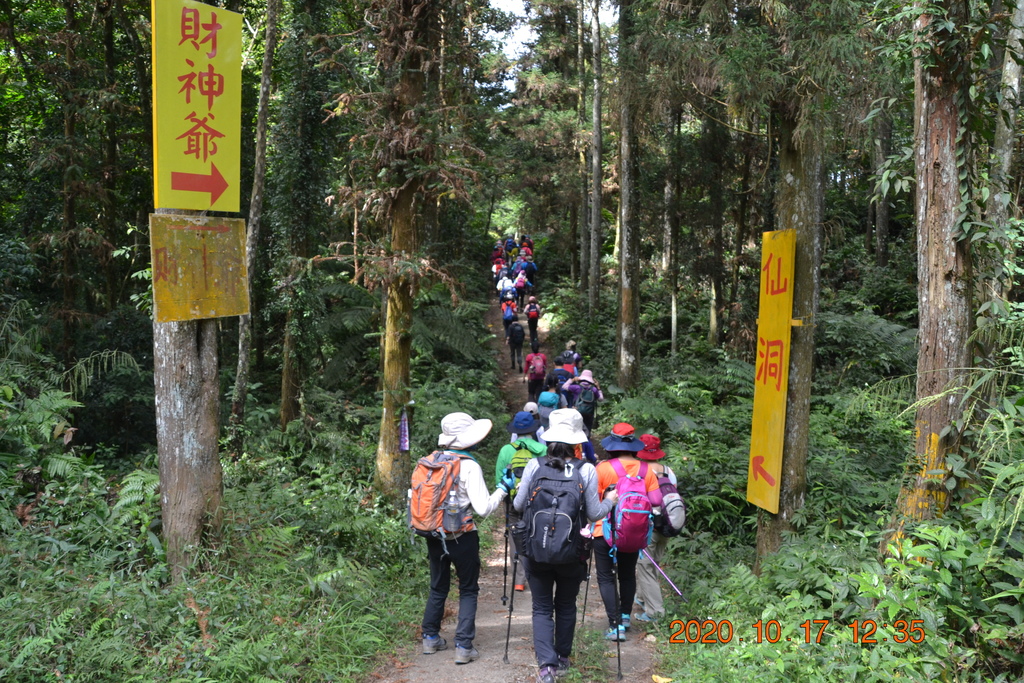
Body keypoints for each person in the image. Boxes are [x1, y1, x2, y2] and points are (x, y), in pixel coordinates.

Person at [513, 409, 619, 683]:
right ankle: (562, 657)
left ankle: (546, 668)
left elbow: (517, 505)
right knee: (566, 605)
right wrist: (612, 500)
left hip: (536, 550)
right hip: (573, 552)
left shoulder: (535, 466)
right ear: (576, 441)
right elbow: (595, 514)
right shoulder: (586, 469)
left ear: (549, 438)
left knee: (541, 607)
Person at [420, 413, 513, 664]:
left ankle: (430, 638)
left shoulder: (430, 461)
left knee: (438, 587)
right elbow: (483, 508)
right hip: (462, 537)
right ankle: (463, 646)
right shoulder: (469, 465)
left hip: (433, 534)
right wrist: (503, 489)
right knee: (468, 589)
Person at [592, 423, 663, 641]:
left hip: (604, 530)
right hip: (633, 531)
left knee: (605, 577)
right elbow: (657, 501)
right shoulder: (646, 470)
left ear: (612, 446)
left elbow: (593, 501)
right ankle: (625, 617)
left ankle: (615, 626)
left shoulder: (602, 469)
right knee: (627, 575)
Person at [496, 410, 548, 592]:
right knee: (536, 533)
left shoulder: (506, 450)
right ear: (533, 429)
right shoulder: (542, 450)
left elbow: (499, 480)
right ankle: (536, 574)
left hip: (512, 501)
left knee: (514, 537)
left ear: (516, 431)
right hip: (537, 501)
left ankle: (519, 580)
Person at [634, 434, 676, 622]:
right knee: (654, 563)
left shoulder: (640, 471)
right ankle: (642, 597)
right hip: (667, 524)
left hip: (648, 525)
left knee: (644, 566)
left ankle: (655, 612)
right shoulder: (669, 471)